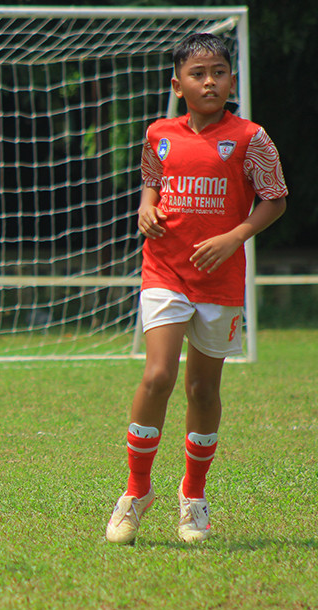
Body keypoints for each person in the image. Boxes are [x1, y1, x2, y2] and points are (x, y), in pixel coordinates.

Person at [105, 33, 287, 545]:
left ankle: (193, 494)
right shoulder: (158, 133)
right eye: (198, 73)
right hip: (164, 270)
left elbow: (274, 199)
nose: (210, 81)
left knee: (203, 389)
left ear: (231, 79)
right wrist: (146, 204)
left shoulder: (253, 137)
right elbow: (151, 178)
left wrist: (235, 236)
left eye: (220, 72)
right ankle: (135, 493)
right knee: (159, 374)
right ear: (177, 85)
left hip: (220, 280)